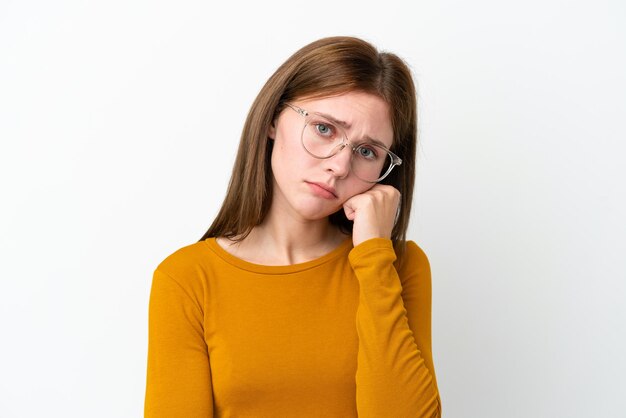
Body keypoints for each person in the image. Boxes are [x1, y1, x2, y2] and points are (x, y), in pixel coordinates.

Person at [144, 36, 441, 417]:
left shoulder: (397, 266)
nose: (339, 165)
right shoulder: (188, 278)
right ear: (273, 119)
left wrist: (373, 259)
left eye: (367, 151)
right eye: (324, 129)